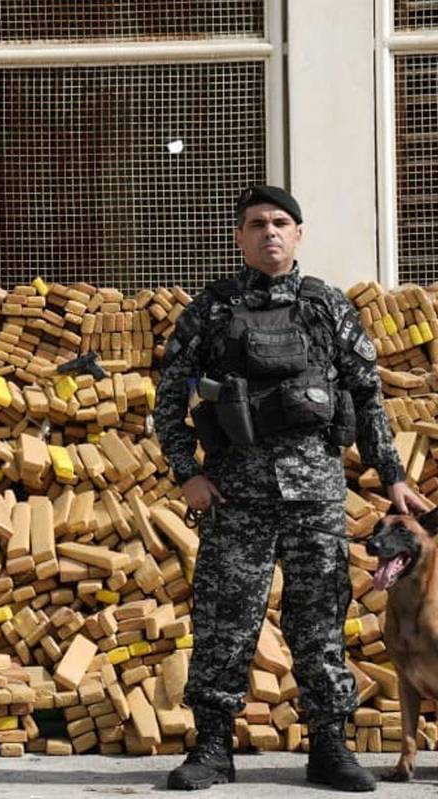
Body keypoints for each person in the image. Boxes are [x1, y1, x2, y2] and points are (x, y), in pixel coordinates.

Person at [153, 186, 428, 792]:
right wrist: (187, 473)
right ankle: (212, 750)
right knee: (226, 625)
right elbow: (168, 399)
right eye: (256, 223)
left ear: (298, 234)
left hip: (316, 497)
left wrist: (395, 477)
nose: (269, 232)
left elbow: (365, 395)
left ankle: (329, 748)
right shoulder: (212, 310)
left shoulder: (326, 306)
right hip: (235, 494)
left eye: (281, 222)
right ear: (238, 237)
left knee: (320, 625)